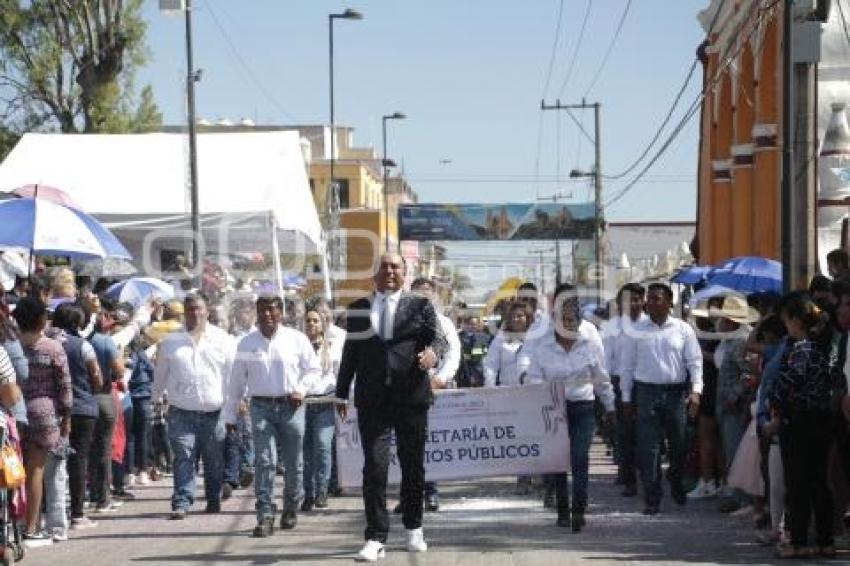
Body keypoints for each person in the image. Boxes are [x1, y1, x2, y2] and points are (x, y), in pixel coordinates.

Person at [335, 253, 444, 562]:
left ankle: (414, 527)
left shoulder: (420, 306)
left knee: (413, 466)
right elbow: (350, 355)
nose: (390, 271)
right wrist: (341, 394)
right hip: (372, 401)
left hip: (411, 398)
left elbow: (439, 341)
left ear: (404, 272)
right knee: (375, 467)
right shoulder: (358, 310)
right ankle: (375, 537)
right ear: (376, 274)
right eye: (384, 266)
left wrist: (433, 355)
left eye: (395, 266)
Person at [224, 295, 321, 536]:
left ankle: (290, 506)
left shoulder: (296, 340)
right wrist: (229, 415)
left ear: (281, 313)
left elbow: (313, 369)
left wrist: (301, 388)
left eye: (272, 310)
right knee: (265, 462)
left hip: (292, 405)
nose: (267, 315)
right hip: (261, 408)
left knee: (292, 464)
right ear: (256, 313)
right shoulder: (246, 344)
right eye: (262, 310)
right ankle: (265, 515)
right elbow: (236, 382)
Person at [521, 283, 615, 532]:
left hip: (583, 407)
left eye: (573, 319)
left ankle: (579, 509)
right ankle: (563, 510)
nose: (569, 323)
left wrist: (611, 406)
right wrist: (542, 389)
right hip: (554, 409)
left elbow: (601, 377)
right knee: (559, 461)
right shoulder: (543, 345)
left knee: (579, 458)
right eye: (564, 319)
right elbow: (532, 376)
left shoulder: (589, 341)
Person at [769, 291, 841, 558]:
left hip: (798, 422)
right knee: (819, 483)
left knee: (797, 484)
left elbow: (784, 387)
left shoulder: (800, 349)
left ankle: (797, 541)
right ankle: (825, 540)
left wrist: (774, 405)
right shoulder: (823, 347)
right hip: (822, 422)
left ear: (795, 320)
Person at [620, 282, 703, 516]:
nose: (652, 302)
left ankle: (675, 479)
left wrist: (696, 391)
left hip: (676, 394)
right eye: (650, 298)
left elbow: (694, 362)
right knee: (649, 448)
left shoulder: (683, 330)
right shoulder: (636, 331)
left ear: (669, 303)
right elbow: (627, 366)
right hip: (646, 393)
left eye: (657, 298)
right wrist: (626, 398)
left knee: (679, 444)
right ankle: (652, 496)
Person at [152, 293, 235, 520]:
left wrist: (236, 403)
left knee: (214, 459)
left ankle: (213, 497)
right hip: (181, 411)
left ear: (207, 311)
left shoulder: (224, 340)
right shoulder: (170, 342)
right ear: (183, 314)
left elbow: (232, 376)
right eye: (189, 310)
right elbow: (160, 374)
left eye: (199, 308)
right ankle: (182, 501)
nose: (194, 314)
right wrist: (156, 398)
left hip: (214, 412)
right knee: (183, 456)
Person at [14, 297, 73, 546]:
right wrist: (67, 417)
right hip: (45, 414)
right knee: (36, 471)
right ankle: (32, 527)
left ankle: (15, 524)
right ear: (41, 320)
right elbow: (64, 386)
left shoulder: (11, 347)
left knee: (15, 470)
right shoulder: (52, 347)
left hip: (15, 411)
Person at [49, 304, 103, 531]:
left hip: (52, 409)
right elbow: (96, 377)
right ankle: (77, 514)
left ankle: (50, 512)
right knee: (79, 460)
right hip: (82, 408)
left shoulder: (45, 344)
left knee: (51, 463)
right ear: (77, 322)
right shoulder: (83, 346)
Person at [410, 276, 461, 512]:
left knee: (430, 444)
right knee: (408, 445)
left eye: (427, 293)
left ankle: (431, 492)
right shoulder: (402, 321)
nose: (423, 297)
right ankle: (409, 493)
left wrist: (439, 379)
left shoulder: (444, 323)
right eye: (418, 293)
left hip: (435, 390)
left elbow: (453, 354)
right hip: (406, 392)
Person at [711, 296, 759, 513]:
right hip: (727, 405)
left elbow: (749, 374)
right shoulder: (731, 339)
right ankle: (737, 495)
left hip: (735, 407)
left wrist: (733, 397)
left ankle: (743, 498)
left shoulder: (741, 341)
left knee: (736, 452)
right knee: (732, 451)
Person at [601, 283, 647, 497]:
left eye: (637, 299)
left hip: (646, 384)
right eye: (629, 300)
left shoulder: (650, 325)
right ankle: (628, 477)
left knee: (647, 435)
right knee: (625, 433)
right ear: (619, 304)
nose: (634, 304)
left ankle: (648, 476)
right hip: (619, 384)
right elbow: (606, 362)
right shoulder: (611, 328)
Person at [301, 306, 344, 512]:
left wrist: (342, 398)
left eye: (315, 321)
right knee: (306, 452)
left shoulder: (333, 346)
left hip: (325, 403)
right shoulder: (298, 347)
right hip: (302, 405)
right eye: (308, 321)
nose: (311, 324)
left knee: (323, 447)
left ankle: (322, 490)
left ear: (322, 324)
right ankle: (307, 493)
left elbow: (339, 374)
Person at [87, 300, 127, 514]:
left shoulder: (84, 340)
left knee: (88, 450)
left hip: (83, 398)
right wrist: (120, 355)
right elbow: (119, 370)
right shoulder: (105, 342)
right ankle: (102, 497)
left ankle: (90, 494)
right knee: (103, 448)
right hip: (102, 396)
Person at [483, 300, 532, 388]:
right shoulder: (501, 338)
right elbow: (490, 364)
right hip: (507, 391)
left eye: (519, 316)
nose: (515, 319)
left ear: (528, 318)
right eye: (512, 316)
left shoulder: (537, 338)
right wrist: (490, 386)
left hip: (533, 390)